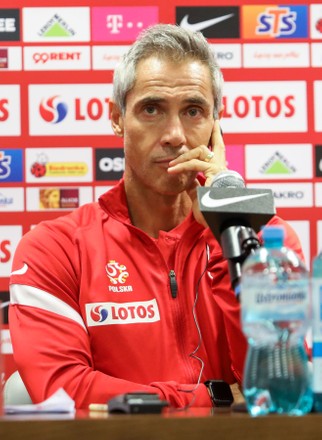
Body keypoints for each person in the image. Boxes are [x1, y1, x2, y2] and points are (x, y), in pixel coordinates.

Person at [9, 24, 304, 410]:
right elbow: (64, 392)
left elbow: (280, 384)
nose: (175, 134)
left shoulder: (265, 240)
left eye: (193, 111)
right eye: (152, 109)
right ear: (116, 118)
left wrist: (224, 230)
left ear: (217, 123)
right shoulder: (55, 249)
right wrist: (210, 396)